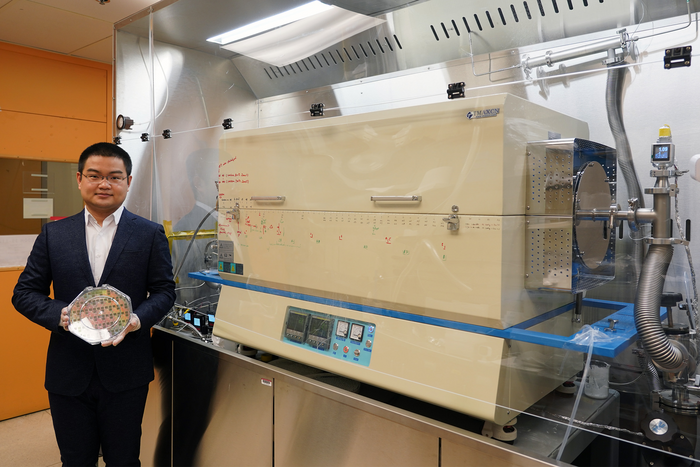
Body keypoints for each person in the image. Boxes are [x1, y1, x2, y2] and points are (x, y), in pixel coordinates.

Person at [12, 142, 176, 467]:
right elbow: (24, 293)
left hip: (126, 369)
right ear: (79, 179)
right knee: (75, 460)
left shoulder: (149, 234)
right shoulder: (53, 234)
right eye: (95, 175)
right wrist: (62, 316)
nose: (104, 184)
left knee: (124, 458)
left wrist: (136, 320)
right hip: (68, 369)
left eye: (114, 177)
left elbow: (164, 292)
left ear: (128, 181)